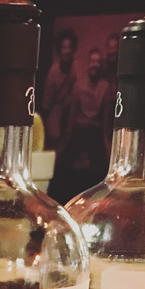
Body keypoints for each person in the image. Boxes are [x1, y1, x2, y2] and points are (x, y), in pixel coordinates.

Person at [49, 47, 114, 205]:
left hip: (95, 132)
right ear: (88, 63)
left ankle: (97, 205)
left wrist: (107, 145)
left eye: (98, 62)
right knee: (62, 164)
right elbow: (72, 114)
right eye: (92, 61)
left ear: (101, 65)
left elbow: (106, 119)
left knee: (100, 169)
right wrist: (66, 139)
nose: (94, 65)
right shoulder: (79, 85)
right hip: (79, 131)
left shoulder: (105, 87)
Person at [41, 28, 78, 151]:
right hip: (56, 112)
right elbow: (46, 104)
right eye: (63, 47)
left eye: (69, 47)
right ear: (59, 50)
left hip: (73, 112)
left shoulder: (76, 68)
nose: (66, 51)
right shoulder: (53, 72)